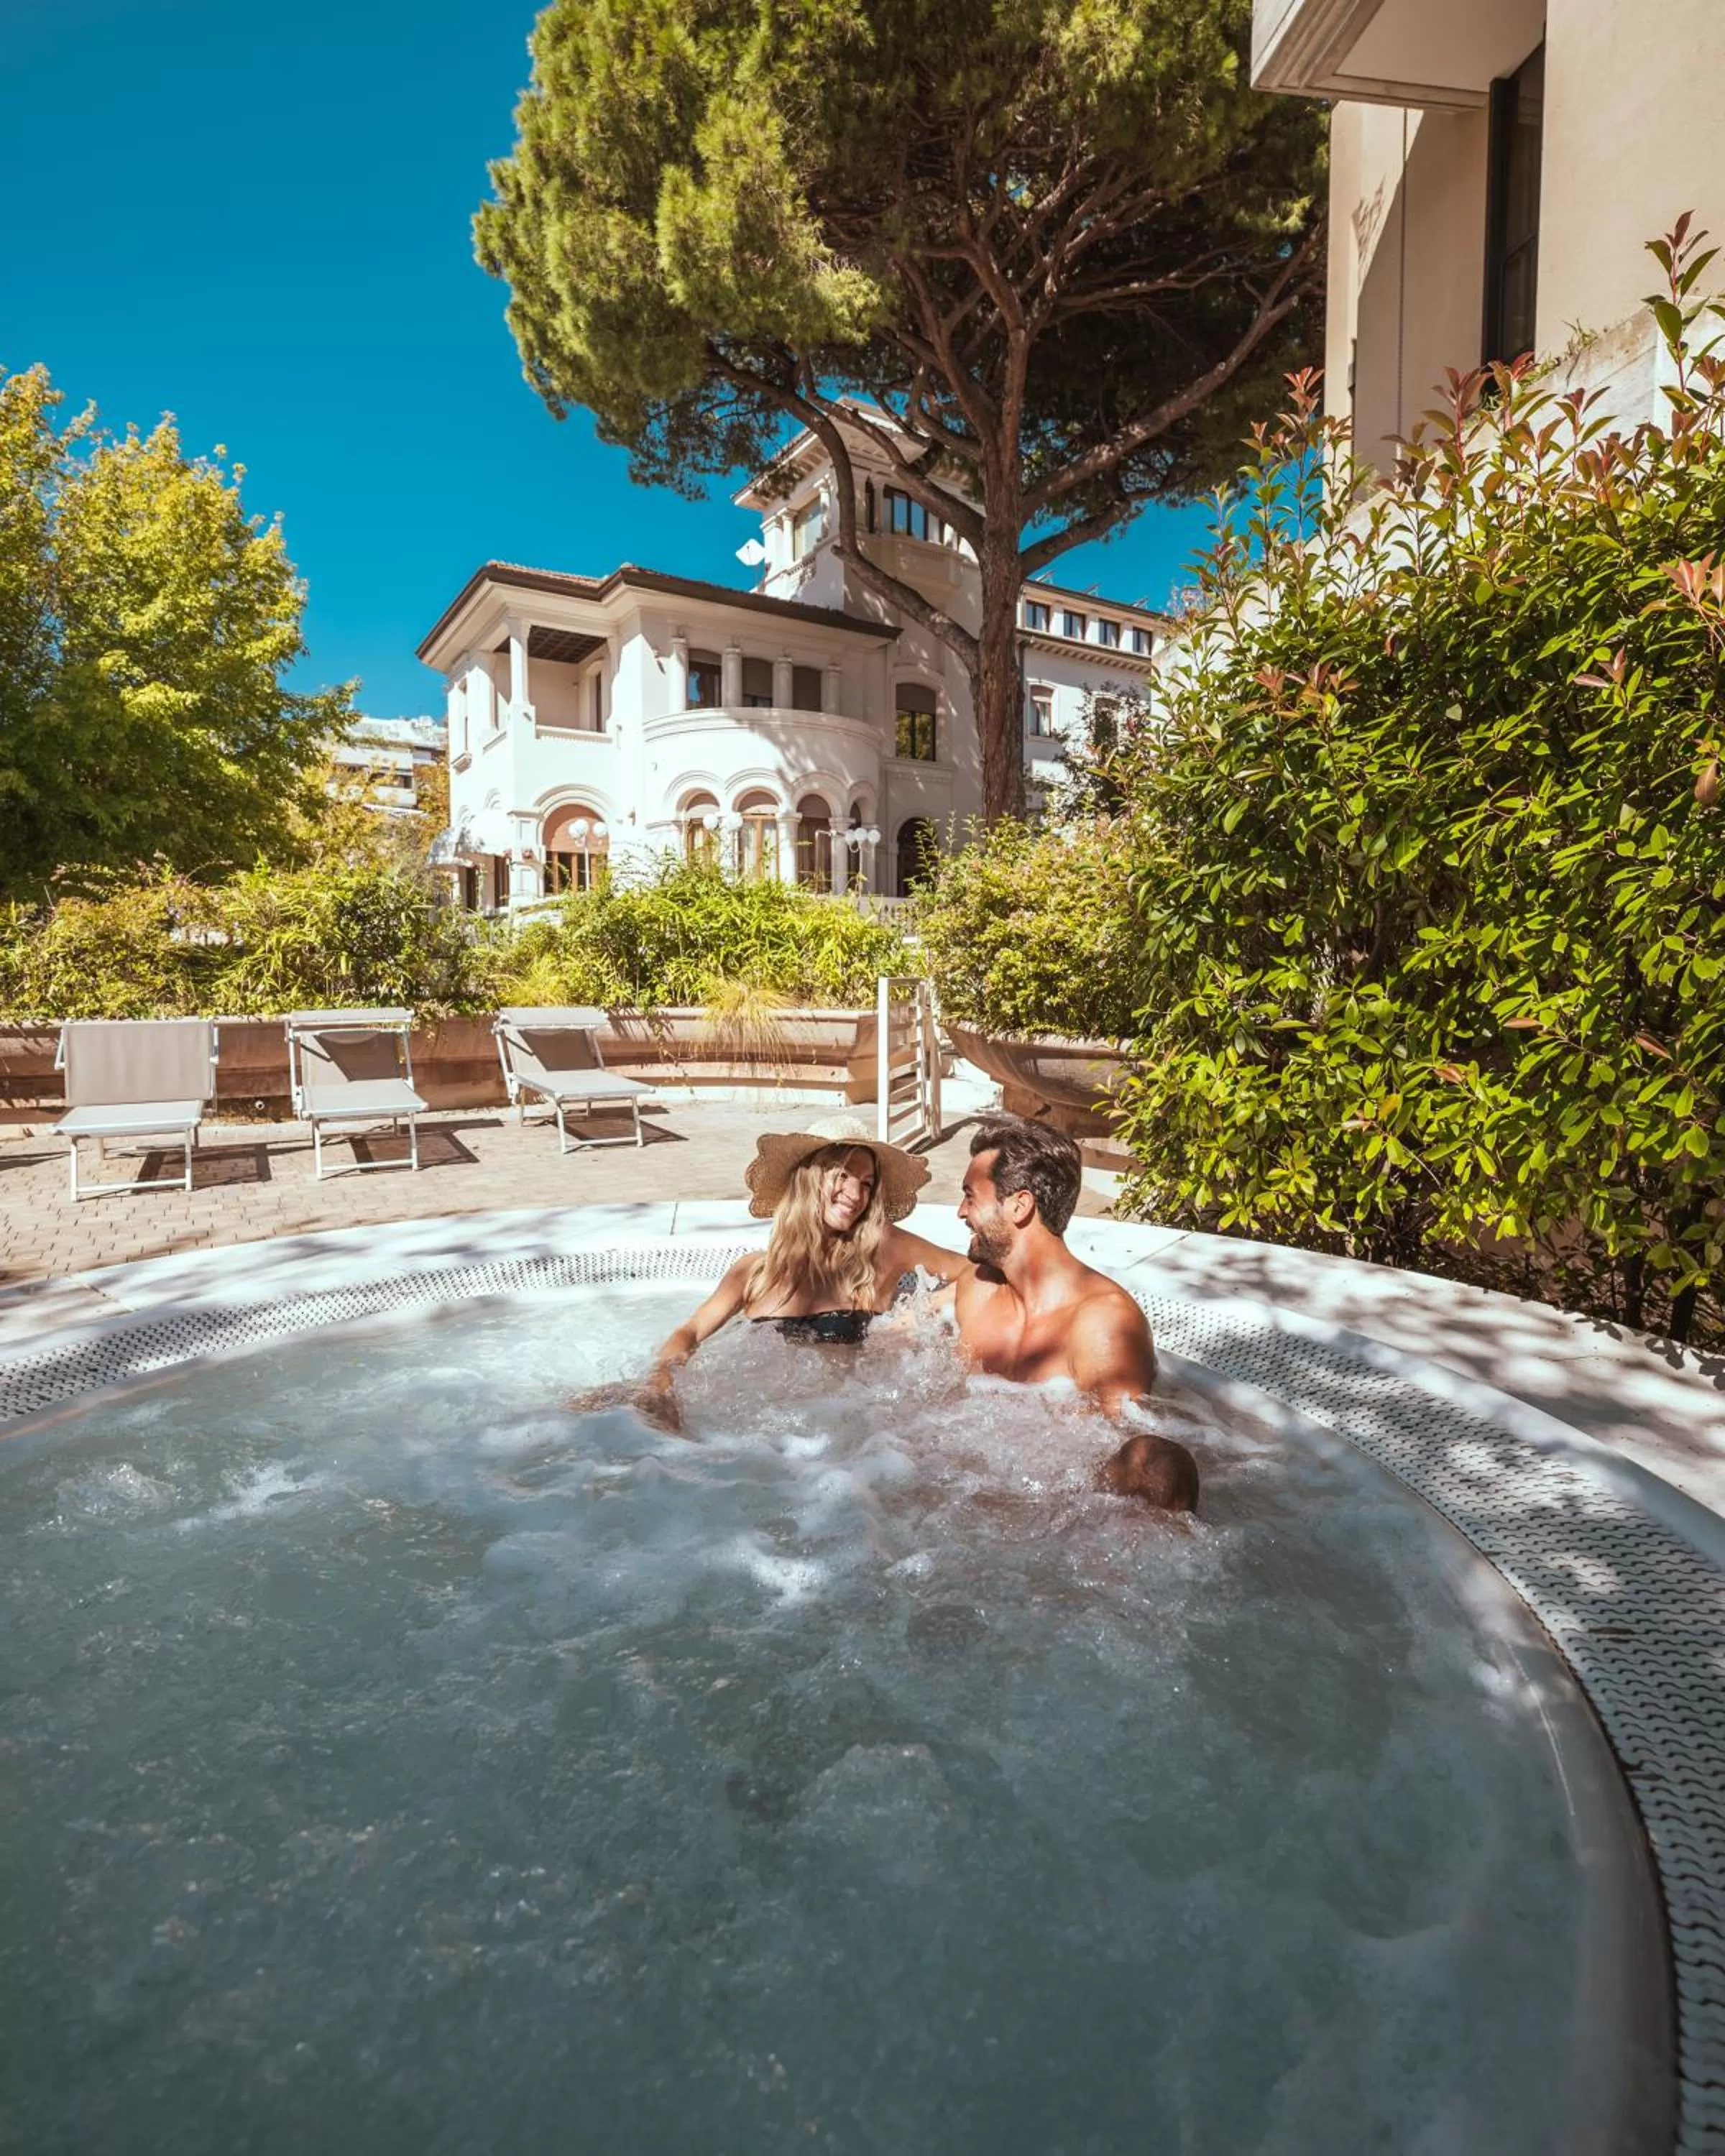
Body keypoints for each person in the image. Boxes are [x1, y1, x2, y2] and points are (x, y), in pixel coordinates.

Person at [625, 1115, 965, 1431]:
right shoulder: (754, 1271)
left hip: (844, 1435)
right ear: (811, 1177)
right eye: (843, 1175)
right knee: (606, 1409)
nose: (856, 1194)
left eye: (866, 1183)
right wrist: (661, 1380)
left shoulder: (882, 1247)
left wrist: (914, 1318)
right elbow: (691, 1331)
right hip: (753, 1428)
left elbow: (976, 1274)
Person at [951, 1117, 1200, 1514]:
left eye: (970, 1196)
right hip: (959, 1492)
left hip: (1056, 1512)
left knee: (1160, 1463)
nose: (961, 1212)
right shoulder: (977, 1288)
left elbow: (1114, 1462)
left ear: (1020, 1205)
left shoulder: (1103, 1324)